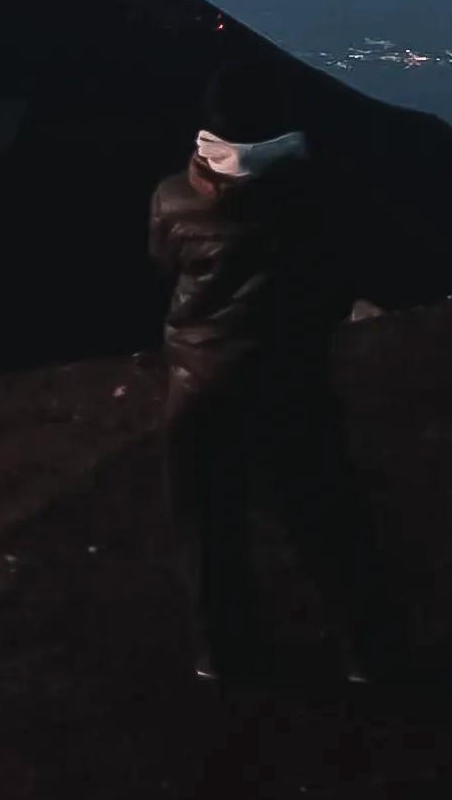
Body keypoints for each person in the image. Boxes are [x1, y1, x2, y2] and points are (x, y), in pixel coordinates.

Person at [148, 63, 383, 685]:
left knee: (207, 528)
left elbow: (164, 263)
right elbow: (339, 273)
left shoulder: (172, 195)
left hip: (197, 389)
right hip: (286, 382)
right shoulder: (309, 197)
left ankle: (222, 658)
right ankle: (367, 652)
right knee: (323, 516)